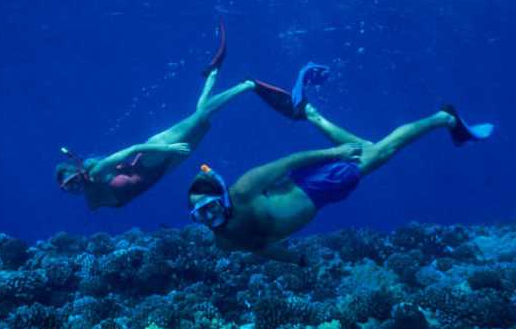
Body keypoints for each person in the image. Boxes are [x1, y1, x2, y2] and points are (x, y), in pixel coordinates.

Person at [187, 63, 493, 263]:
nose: (208, 217)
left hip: (316, 185)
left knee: (382, 151)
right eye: (200, 214)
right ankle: (310, 113)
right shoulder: (224, 242)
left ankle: (445, 117)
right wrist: (297, 261)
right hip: (321, 197)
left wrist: (335, 154)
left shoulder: (243, 190)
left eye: (210, 207)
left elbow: (289, 161)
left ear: (223, 196)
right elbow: (258, 244)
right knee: (369, 149)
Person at [57, 21, 256, 209]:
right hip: (162, 172)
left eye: (73, 181)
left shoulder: (99, 170)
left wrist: (167, 148)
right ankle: (213, 74)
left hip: (154, 154)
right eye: (69, 187)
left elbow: (133, 149)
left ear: (78, 172)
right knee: (202, 121)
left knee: (202, 116)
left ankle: (246, 85)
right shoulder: (92, 203)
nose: (75, 187)